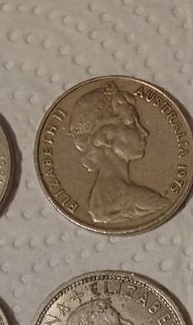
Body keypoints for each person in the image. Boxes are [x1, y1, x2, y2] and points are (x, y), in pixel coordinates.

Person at [68, 81, 170, 224]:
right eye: (131, 124)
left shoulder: (96, 203)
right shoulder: (142, 201)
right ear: (107, 136)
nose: (144, 132)